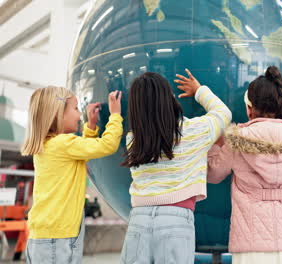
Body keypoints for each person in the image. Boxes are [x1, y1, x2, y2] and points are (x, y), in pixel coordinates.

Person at [120, 70, 231, 264]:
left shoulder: (133, 140)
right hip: (176, 221)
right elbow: (223, 113)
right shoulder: (193, 131)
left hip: (138, 219)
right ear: (169, 100)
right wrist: (199, 90)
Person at [207, 66, 282, 264]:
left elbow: (213, 174)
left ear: (249, 108)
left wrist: (216, 144)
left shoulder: (237, 141)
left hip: (251, 245)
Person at [22, 86, 123, 264]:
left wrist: (91, 127)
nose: (79, 114)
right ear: (59, 114)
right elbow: (108, 145)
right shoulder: (63, 143)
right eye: (76, 109)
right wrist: (115, 115)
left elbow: (83, 152)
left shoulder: (51, 145)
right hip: (57, 240)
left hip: (47, 237)